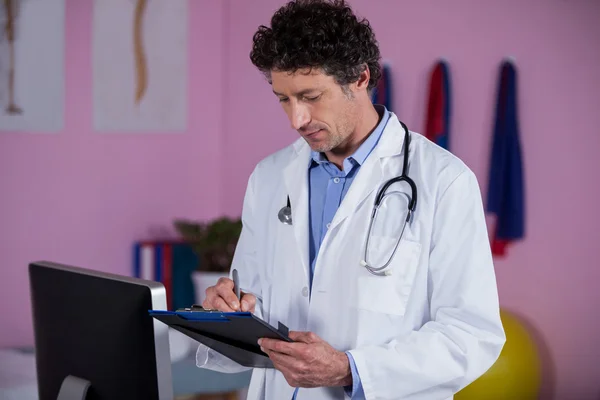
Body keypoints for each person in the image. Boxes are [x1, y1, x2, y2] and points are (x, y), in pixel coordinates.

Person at [197, 1, 506, 399]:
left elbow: (471, 335)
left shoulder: (444, 181)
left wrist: (349, 369)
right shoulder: (270, 178)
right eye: (284, 99)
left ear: (360, 78)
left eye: (311, 96)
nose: (297, 120)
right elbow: (252, 300)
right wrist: (229, 312)